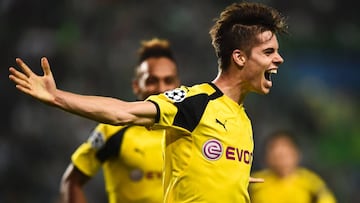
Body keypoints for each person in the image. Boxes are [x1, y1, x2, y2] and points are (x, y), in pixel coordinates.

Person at [9, 2, 288, 202]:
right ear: (239, 57)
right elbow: (124, 113)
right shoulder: (197, 102)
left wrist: (229, 179)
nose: (278, 59)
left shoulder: (243, 120)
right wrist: (57, 96)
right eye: (268, 51)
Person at [59, 38, 180, 203]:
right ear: (136, 86)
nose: (161, 89)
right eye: (152, 81)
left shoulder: (192, 128)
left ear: (178, 85)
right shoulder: (113, 131)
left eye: (168, 80)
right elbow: (72, 180)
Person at [249, 130, 337, 203]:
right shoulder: (255, 184)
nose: (281, 159)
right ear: (267, 157)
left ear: (296, 154)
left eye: (285, 155)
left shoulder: (311, 184)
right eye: (276, 155)